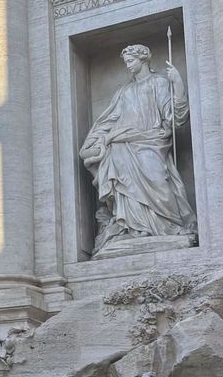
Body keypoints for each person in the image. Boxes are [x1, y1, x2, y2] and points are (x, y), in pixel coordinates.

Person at [78, 44, 196, 253]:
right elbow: (109, 120)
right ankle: (133, 228)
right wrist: (96, 141)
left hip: (152, 142)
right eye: (126, 63)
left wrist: (177, 83)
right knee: (124, 183)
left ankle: (170, 226)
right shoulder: (124, 91)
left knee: (158, 180)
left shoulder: (159, 83)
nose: (128, 65)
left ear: (143, 60)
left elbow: (174, 118)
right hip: (122, 144)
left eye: (131, 61)